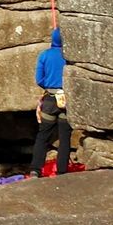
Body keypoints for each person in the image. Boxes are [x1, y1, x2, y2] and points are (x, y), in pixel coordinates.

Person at [28, 27, 71, 177]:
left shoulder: (45, 55)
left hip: (50, 100)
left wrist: (49, 86)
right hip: (66, 99)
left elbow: (39, 79)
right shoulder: (69, 56)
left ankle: (35, 170)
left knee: (43, 136)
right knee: (65, 137)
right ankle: (62, 171)